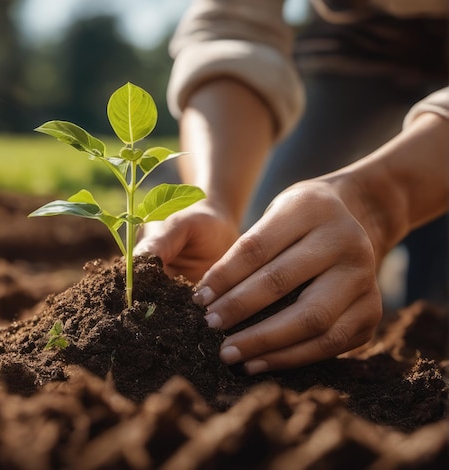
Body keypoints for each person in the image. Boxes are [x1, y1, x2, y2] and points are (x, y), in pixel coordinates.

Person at [135, 0, 449, 375]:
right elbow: (233, 28)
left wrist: (377, 206)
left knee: (435, 306)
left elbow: (375, 202)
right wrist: (215, 200)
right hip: (358, 51)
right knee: (274, 246)